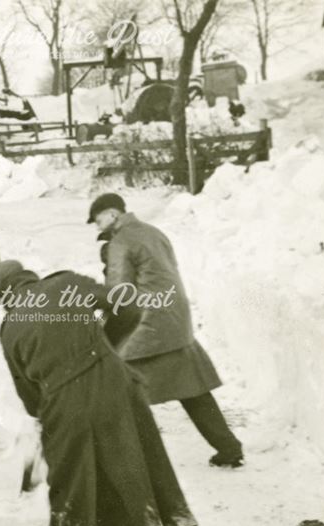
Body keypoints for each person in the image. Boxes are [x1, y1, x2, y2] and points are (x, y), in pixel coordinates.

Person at [0, 259, 196, 526]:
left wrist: (59, 406)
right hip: (117, 393)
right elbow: (127, 306)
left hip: (65, 411)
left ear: (4, 294)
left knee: (72, 506)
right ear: (27, 278)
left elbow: (30, 399)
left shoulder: (9, 329)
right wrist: (104, 350)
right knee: (134, 488)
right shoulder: (67, 283)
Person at [88, 192, 244, 468]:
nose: (97, 226)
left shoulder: (121, 241)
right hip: (174, 320)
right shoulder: (153, 232)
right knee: (192, 389)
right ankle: (228, 447)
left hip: (146, 327)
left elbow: (118, 293)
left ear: (112, 214)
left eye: (98, 219)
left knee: (116, 386)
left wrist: (95, 311)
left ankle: (121, 461)